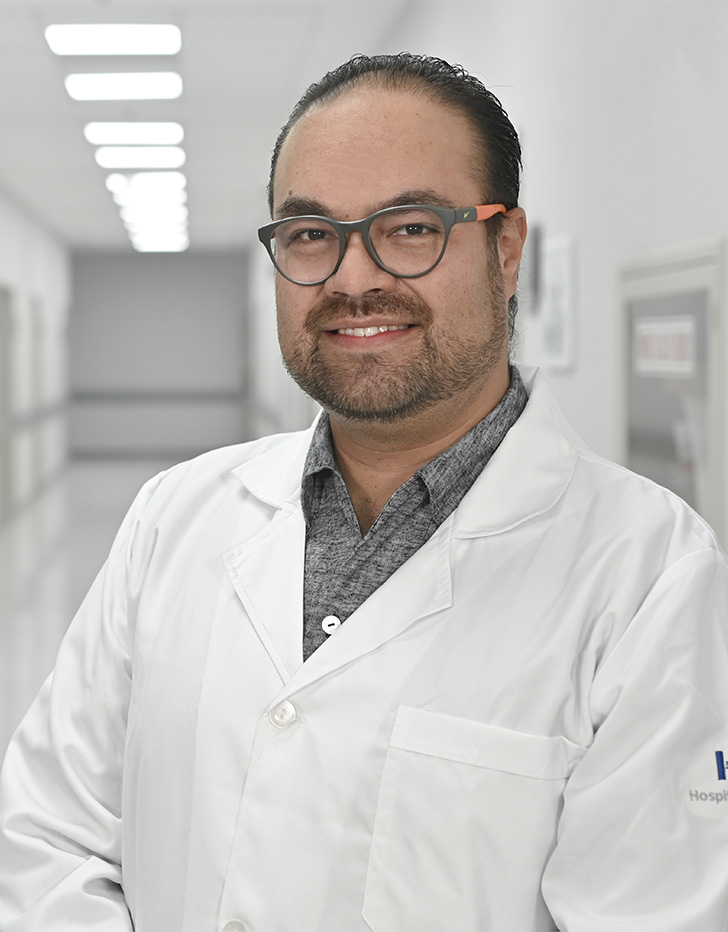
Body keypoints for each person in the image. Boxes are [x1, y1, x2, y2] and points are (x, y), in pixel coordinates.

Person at [1, 51, 727, 932]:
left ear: (506, 250)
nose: (353, 279)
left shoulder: (650, 574)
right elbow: (47, 836)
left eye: (411, 227)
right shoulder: (174, 516)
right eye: (310, 234)